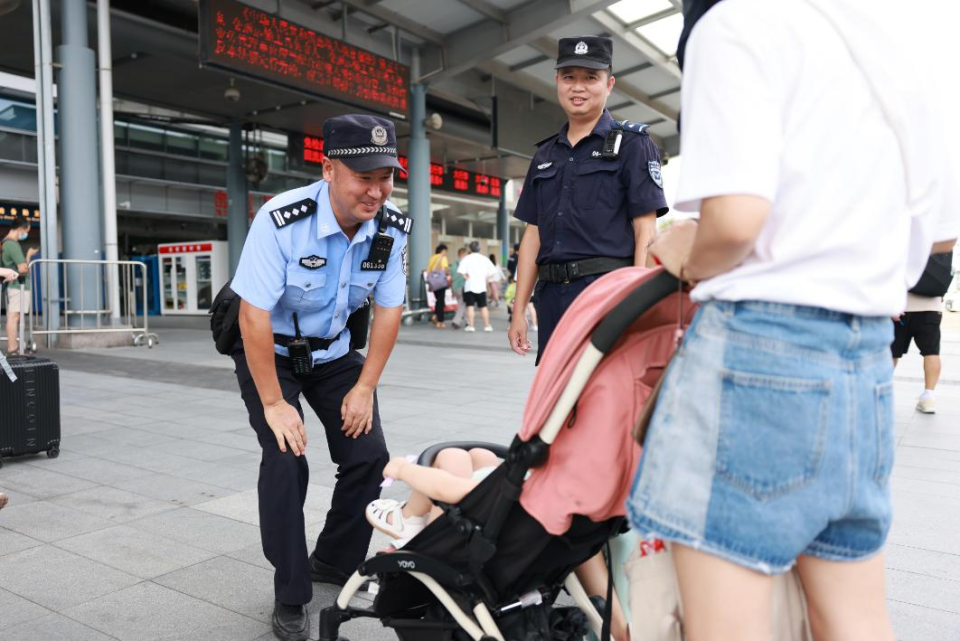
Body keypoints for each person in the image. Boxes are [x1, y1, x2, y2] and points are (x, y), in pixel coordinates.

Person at [626, 2, 958, 641]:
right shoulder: (903, 47)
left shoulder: (735, 22)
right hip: (865, 361)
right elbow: (941, 235)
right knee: (857, 621)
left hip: (757, 354)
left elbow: (735, 223)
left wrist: (688, 247)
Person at [230, 114, 410, 641]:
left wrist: (365, 387)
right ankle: (291, 592)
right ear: (329, 169)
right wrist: (274, 403)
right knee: (286, 457)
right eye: (364, 178)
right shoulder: (281, 220)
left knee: (369, 454)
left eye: (386, 178)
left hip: (333, 352)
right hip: (272, 352)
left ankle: (332, 561)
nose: (376, 191)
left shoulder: (392, 229)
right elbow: (252, 316)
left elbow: (389, 310)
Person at [508, 36, 669, 364]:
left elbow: (645, 232)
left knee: (602, 387)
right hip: (551, 297)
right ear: (557, 81)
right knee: (556, 391)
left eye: (590, 77)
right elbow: (533, 235)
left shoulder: (633, 145)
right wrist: (519, 310)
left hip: (605, 294)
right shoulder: (545, 154)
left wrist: (635, 304)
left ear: (609, 84)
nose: (578, 87)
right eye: (569, 77)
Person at [366, 449, 631, 641]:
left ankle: (408, 518)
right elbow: (595, 575)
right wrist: (621, 630)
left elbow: (453, 492)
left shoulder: (554, 486)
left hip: (467, 553)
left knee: (451, 457)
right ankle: (411, 518)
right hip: (519, 557)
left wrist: (403, 470)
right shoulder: (585, 512)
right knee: (482, 456)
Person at [892, 250, 956, 413]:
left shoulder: (908, 238)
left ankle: (879, 390)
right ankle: (929, 397)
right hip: (931, 307)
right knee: (931, 352)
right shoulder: (941, 243)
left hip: (902, 306)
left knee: (891, 353)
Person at [2, 217, 38, 354]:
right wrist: (28, 255)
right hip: (17, 285)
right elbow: (23, 268)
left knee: (14, 316)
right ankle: (13, 349)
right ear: (20, 229)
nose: (26, 234)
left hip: (13, 285)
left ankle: (14, 347)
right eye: (26, 231)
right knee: (14, 317)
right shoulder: (12, 245)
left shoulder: (4, 243)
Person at [457, 241, 498, 332]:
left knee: (470, 306)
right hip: (481, 286)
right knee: (483, 306)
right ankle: (487, 326)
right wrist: (486, 278)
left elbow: (460, 271)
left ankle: (471, 326)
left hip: (469, 286)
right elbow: (493, 271)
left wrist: (465, 277)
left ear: (470, 248)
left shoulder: (467, 258)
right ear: (479, 248)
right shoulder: (484, 258)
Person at [427, 244, 451, 328]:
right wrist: (448, 274)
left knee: (439, 300)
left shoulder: (432, 258)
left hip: (433, 283)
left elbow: (429, 270)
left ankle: (435, 316)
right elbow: (445, 269)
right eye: (445, 251)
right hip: (441, 282)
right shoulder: (443, 257)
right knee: (440, 301)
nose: (445, 253)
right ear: (442, 250)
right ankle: (440, 321)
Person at [450, 247, 467, 329]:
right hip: (462, 287)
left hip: (455, 287)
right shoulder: (464, 264)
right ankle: (456, 321)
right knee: (463, 304)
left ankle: (468, 321)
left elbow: (451, 278)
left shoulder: (454, 264)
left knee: (462, 304)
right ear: (463, 254)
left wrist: (452, 291)